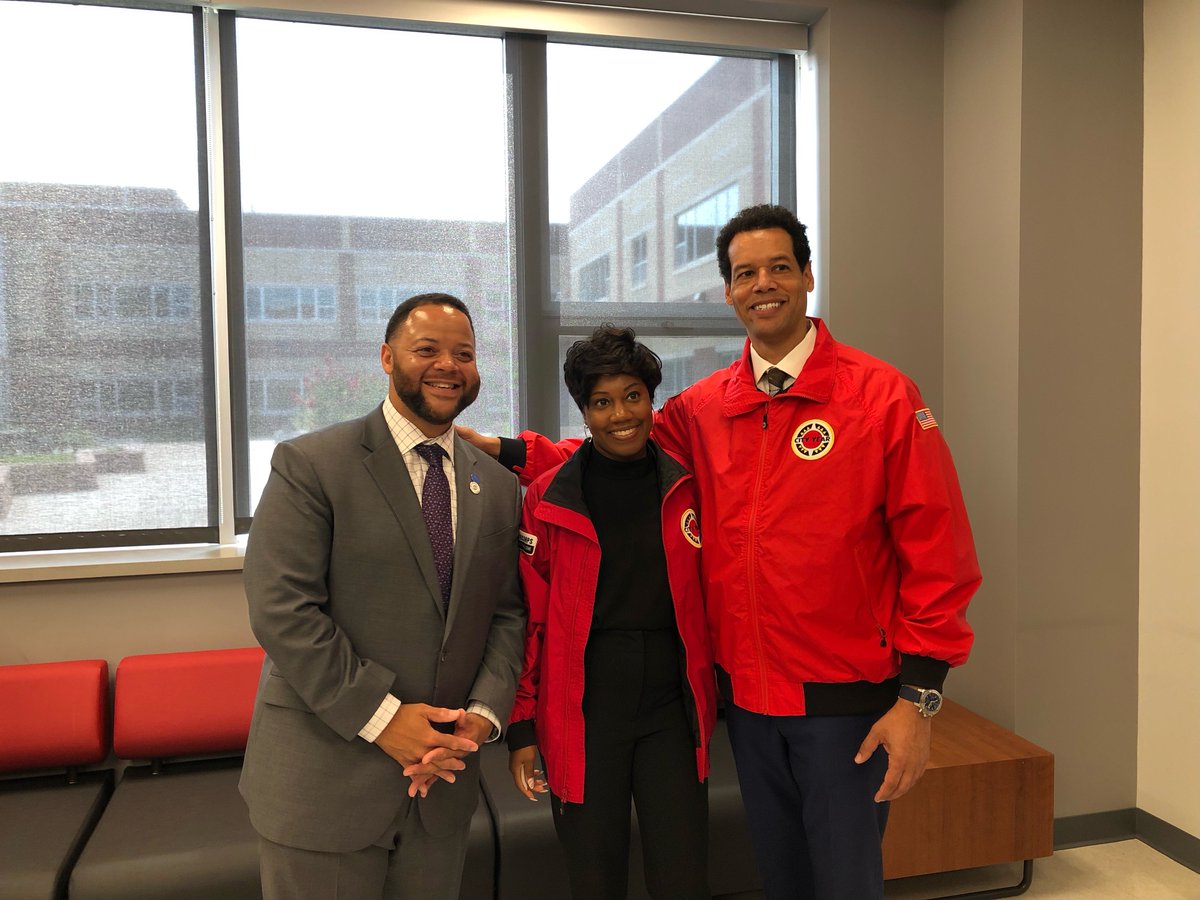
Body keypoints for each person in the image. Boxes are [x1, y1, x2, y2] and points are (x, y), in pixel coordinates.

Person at [460, 205, 980, 899]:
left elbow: (939, 554)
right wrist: (508, 451)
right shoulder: (704, 409)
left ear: (807, 276)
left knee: (846, 884)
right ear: (728, 291)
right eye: (745, 273)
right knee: (781, 879)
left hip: (845, 705)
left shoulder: (881, 397)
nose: (762, 284)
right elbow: (614, 454)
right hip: (748, 706)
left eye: (778, 268)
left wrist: (919, 698)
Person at [239, 293, 526, 900]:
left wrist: (484, 713)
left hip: (442, 784)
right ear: (387, 357)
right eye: (428, 349)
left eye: (464, 353)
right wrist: (386, 719)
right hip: (325, 780)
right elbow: (282, 610)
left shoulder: (497, 486)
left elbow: (505, 612)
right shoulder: (312, 464)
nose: (449, 364)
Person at [506, 326, 716, 900]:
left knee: (682, 877)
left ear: (652, 401)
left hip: (671, 710)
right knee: (594, 879)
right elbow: (530, 620)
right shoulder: (548, 499)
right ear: (584, 411)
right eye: (602, 402)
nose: (620, 414)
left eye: (633, 396)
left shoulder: (688, 486)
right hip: (583, 707)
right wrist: (521, 725)